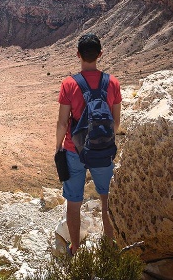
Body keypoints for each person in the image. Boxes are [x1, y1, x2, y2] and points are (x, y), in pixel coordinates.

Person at [56, 33, 122, 255]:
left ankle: (75, 248)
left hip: (75, 151)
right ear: (100, 54)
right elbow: (116, 122)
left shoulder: (69, 84)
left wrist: (59, 148)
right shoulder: (112, 82)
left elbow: (63, 122)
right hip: (103, 151)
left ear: (78, 55)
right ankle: (110, 248)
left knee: (74, 203)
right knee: (106, 201)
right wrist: (103, 141)